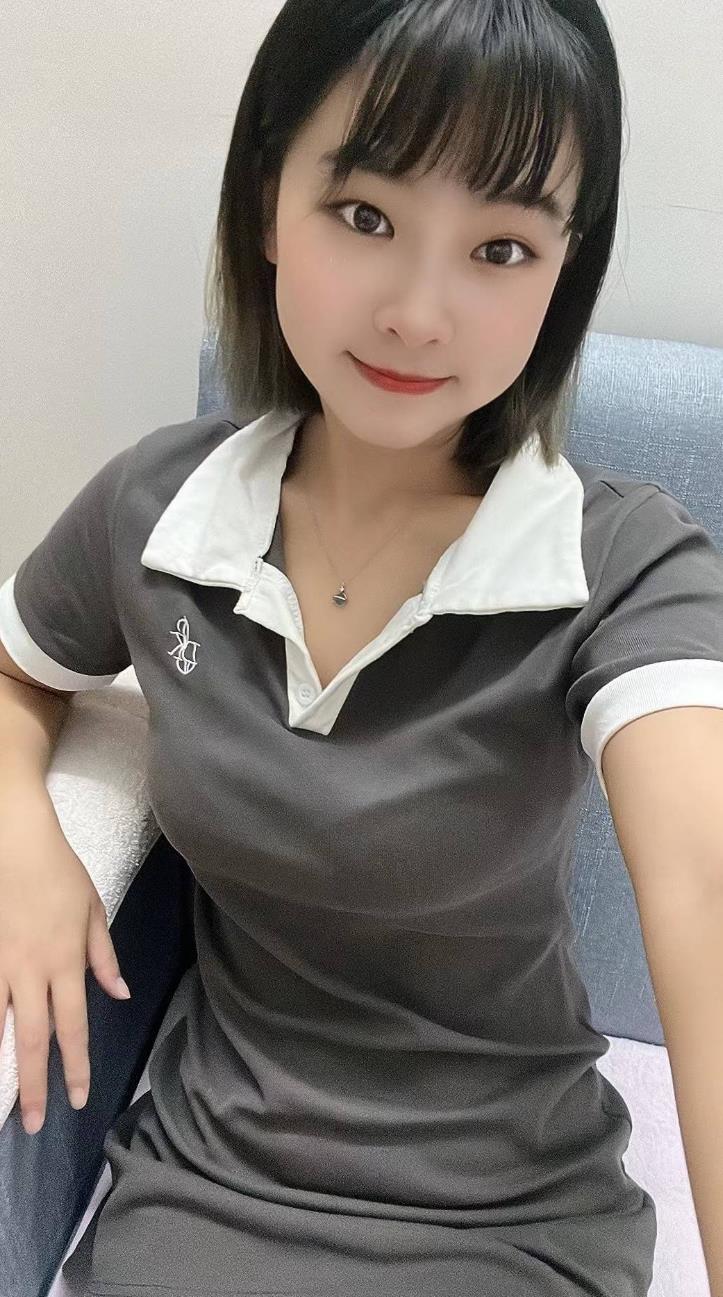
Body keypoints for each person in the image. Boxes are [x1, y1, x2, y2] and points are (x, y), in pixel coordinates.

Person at [2, 1, 723, 1294]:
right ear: (268, 204)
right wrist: (26, 843)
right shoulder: (156, 509)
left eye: (501, 247)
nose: (419, 315)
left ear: (563, 271)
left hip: (510, 1209)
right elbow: (15, 667)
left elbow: (707, 888)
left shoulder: (619, 564)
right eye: (366, 215)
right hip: (210, 1181)